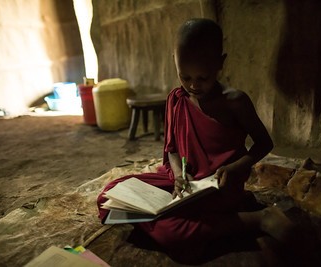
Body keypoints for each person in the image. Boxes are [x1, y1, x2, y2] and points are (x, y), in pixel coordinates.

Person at [97, 18, 298, 265]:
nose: (193, 85)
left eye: (203, 77)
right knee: (110, 196)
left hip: (219, 187)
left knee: (173, 232)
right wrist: (179, 174)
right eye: (185, 76)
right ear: (175, 61)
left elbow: (264, 143)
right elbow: (172, 149)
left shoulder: (234, 101)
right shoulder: (177, 99)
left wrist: (237, 166)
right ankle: (206, 225)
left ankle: (259, 218)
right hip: (184, 185)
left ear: (220, 63)